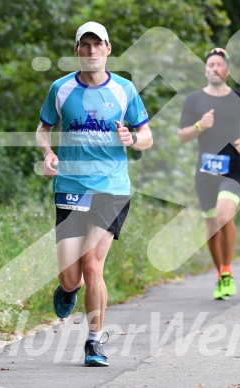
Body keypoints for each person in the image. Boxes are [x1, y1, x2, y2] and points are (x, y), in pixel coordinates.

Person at [36, 21, 153, 367]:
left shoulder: (124, 89)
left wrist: (133, 139)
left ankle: (94, 342)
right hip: (70, 188)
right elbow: (43, 129)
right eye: (84, 45)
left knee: (92, 265)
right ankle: (67, 289)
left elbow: (147, 135)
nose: (90, 51)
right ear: (76, 50)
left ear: (108, 48)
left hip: (111, 189)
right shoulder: (60, 89)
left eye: (96, 44)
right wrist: (48, 154)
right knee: (70, 276)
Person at [178, 47, 240, 300]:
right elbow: (182, 136)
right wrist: (199, 126)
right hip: (205, 172)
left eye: (219, 65)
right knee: (211, 223)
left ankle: (227, 271)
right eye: (210, 65)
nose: (214, 68)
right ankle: (222, 275)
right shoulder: (193, 100)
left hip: (232, 168)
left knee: (224, 216)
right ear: (205, 69)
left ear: (227, 70)